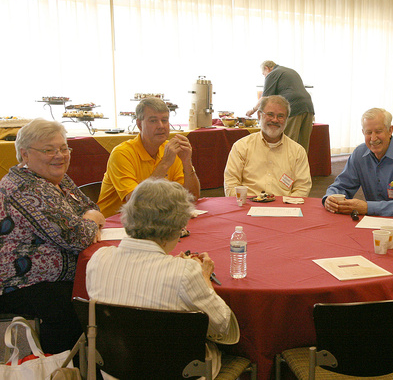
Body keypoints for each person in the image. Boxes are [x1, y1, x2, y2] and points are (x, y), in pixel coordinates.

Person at [87, 178, 239, 378]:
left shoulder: (98, 259)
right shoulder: (184, 272)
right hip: (176, 372)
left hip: (115, 369)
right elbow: (222, 325)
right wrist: (204, 280)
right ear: (177, 228)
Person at [0, 118, 105, 354]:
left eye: (64, 148)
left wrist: (88, 218)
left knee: (99, 293)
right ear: (25, 155)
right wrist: (89, 221)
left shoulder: (57, 179)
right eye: (49, 150)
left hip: (54, 277)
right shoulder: (25, 187)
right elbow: (76, 237)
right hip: (19, 282)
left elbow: (92, 207)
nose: (60, 155)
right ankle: (60, 368)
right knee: (74, 307)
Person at [97, 97, 200, 218]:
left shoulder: (170, 148)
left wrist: (187, 163)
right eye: (153, 121)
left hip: (155, 219)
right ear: (139, 124)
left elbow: (191, 197)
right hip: (117, 223)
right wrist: (165, 164)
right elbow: (137, 203)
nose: (161, 126)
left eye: (165, 120)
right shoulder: (121, 153)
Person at [322, 108, 393, 217]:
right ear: (363, 132)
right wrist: (330, 197)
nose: (373, 138)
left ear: (390, 130)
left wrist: (367, 207)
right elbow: (342, 186)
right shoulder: (359, 154)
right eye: (368, 132)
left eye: (378, 131)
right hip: (373, 220)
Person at [225, 95, 312, 197]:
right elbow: (231, 185)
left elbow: (302, 188)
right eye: (270, 114)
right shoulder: (241, 147)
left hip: (284, 208)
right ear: (259, 115)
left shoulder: (298, 151)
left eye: (280, 116)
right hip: (248, 207)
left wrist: (287, 208)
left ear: (287, 119)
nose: (275, 120)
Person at [246, 60, 315, 152]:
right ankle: (301, 166)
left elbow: (265, 99)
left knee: (289, 142)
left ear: (267, 68)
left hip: (293, 107)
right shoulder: (289, 71)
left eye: (264, 74)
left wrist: (252, 110)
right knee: (303, 145)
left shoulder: (272, 74)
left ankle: (286, 166)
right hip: (308, 106)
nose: (265, 76)